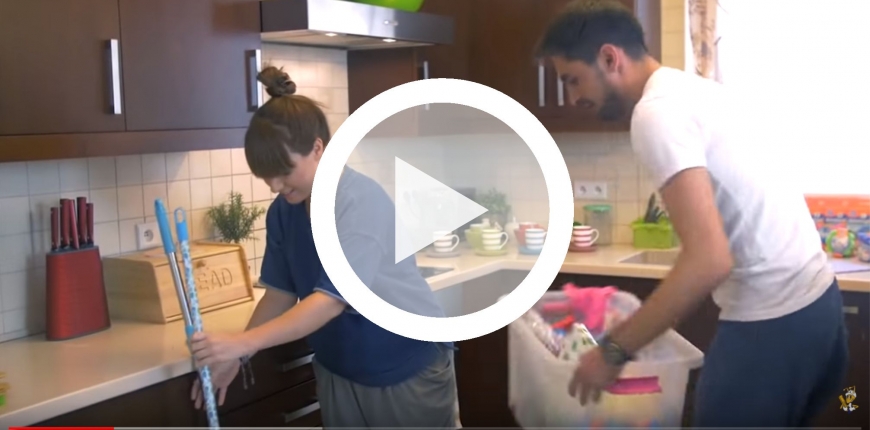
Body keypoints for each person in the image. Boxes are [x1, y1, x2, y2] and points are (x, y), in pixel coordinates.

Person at [535, 0, 848, 426]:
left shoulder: (656, 113)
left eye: (573, 80)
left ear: (609, 58)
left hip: (771, 323)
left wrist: (612, 352)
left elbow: (709, 260)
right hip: (821, 309)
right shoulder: (695, 90)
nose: (573, 98)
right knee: (837, 413)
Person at [186, 66, 458, 429]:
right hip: (339, 369)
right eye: (265, 174)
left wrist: (242, 343)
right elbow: (280, 294)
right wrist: (238, 355)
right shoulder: (284, 211)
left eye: (284, 171)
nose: (274, 185)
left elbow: (329, 301)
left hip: (405, 367)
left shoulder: (357, 201)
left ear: (318, 149)